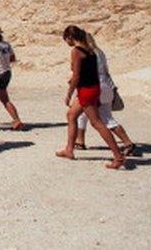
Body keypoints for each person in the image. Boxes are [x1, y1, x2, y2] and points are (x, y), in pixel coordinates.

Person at [55, 25, 126, 169]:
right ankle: (69, 149)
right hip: (93, 88)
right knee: (71, 115)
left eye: (66, 40)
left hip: (86, 91)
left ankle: (118, 156)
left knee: (97, 123)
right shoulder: (91, 50)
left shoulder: (76, 51)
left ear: (70, 38)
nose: (67, 43)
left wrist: (69, 93)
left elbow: (76, 76)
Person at [75, 32, 137, 155]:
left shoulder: (86, 54)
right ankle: (80, 141)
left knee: (99, 118)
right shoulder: (100, 52)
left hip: (94, 87)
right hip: (107, 86)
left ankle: (126, 143)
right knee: (94, 116)